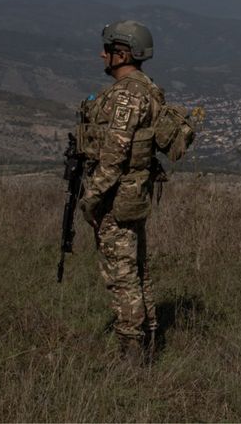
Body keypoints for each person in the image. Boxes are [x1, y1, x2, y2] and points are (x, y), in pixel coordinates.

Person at [76, 20, 166, 365]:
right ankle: (149, 338)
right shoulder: (148, 88)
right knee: (137, 270)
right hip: (134, 194)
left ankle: (132, 354)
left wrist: (92, 198)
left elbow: (113, 156)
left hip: (117, 198)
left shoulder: (127, 95)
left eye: (108, 50)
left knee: (121, 275)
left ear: (123, 54)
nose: (101, 54)